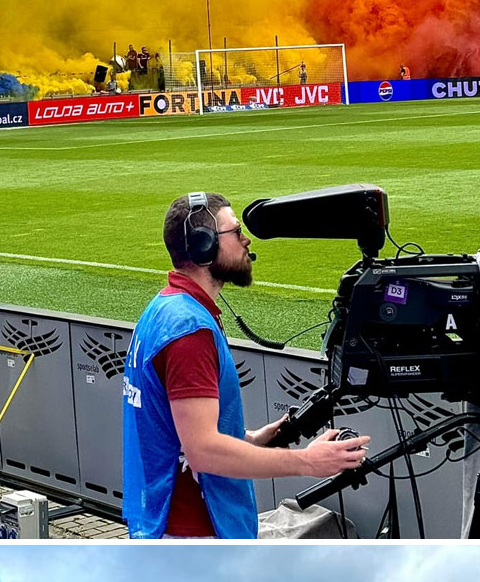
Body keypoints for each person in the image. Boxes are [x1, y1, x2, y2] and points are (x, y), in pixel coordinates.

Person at [122, 191, 369, 539]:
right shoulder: (188, 331)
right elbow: (204, 451)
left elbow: (181, 435)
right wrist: (307, 462)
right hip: (194, 536)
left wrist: (252, 438)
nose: (245, 240)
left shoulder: (169, 311)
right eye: (235, 232)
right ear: (204, 246)